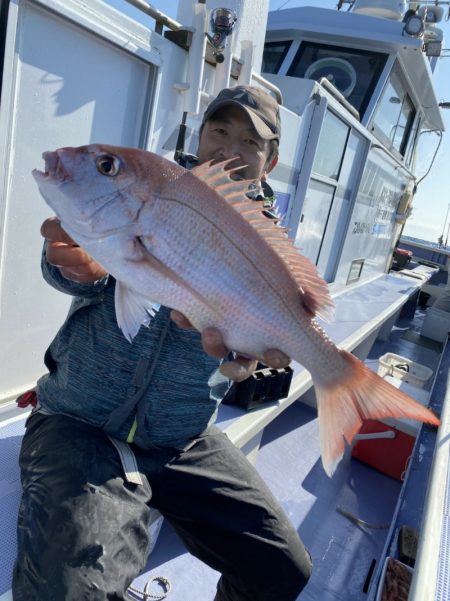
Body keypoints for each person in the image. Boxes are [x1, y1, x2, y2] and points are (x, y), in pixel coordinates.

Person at [13, 85, 312, 601]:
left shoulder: (267, 243)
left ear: (271, 161)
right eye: (220, 130)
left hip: (182, 440)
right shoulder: (143, 186)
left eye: (250, 142)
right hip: (78, 425)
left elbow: (257, 339)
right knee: (69, 591)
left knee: (283, 568)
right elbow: (75, 267)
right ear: (200, 134)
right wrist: (70, 262)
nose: (229, 148)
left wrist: (250, 357)